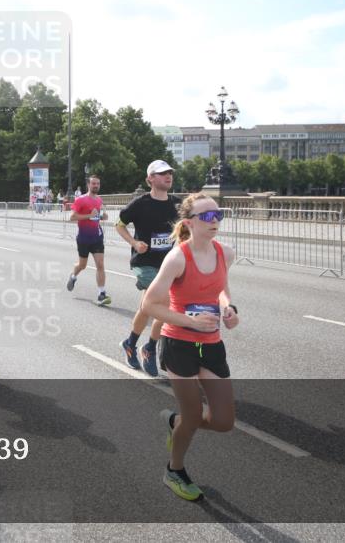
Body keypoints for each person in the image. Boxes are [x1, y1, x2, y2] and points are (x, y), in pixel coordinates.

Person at [142, 193, 238, 501]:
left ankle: (175, 422)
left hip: (211, 345)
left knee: (224, 421)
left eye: (218, 214)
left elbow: (221, 288)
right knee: (194, 416)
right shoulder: (178, 258)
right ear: (189, 223)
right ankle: (175, 469)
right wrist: (190, 321)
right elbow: (149, 305)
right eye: (207, 217)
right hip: (179, 345)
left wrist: (228, 307)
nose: (215, 221)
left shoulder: (226, 252)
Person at [116, 160, 179, 376]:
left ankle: (131, 343)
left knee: (147, 306)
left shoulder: (177, 204)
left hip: (168, 265)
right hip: (144, 263)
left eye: (169, 173)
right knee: (165, 303)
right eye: (162, 173)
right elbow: (119, 224)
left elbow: (187, 227)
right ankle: (150, 348)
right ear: (150, 179)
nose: (167, 176)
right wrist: (134, 243)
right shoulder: (140, 203)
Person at [66, 174, 111, 305]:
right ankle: (73, 276)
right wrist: (88, 216)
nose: (96, 186)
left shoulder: (99, 200)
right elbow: (72, 217)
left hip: (97, 237)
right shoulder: (80, 199)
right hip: (83, 238)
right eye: (93, 183)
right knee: (82, 265)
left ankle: (101, 294)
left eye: (98, 184)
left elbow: (97, 216)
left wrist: (103, 216)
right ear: (88, 185)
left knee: (100, 265)